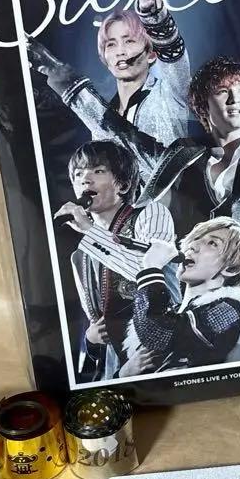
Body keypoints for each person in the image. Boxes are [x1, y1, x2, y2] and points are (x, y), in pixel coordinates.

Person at [28, 46, 240, 237]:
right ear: (203, 104)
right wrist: (56, 71)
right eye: (222, 92)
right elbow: (118, 131)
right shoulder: (183, 157)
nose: (235, 99)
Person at [53, 141, 176, 380]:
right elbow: (96, 319)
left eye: (98, 171)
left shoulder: (150, 214)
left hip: (162, 352)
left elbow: (148, 270)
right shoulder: (81, 255)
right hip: (118, 366)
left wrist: (89, 231)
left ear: (123, 184)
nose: (85, 180)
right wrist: (90, 339)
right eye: (78, 174)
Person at [128, 217, 240, 372]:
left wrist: (152, 268)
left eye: (212, 243)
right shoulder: (171, 313)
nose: (193, 246)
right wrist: (122, 374)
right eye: (195, 239)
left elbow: (158, 333)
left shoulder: (231, 310)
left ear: (231, 269)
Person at [93, 0, 197, 144]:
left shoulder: (171, 92)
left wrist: (153, 17)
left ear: (151, 54)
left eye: (129, 41)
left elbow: (173, 53)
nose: (120, 51)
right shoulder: (103, 118)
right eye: (111, 44)